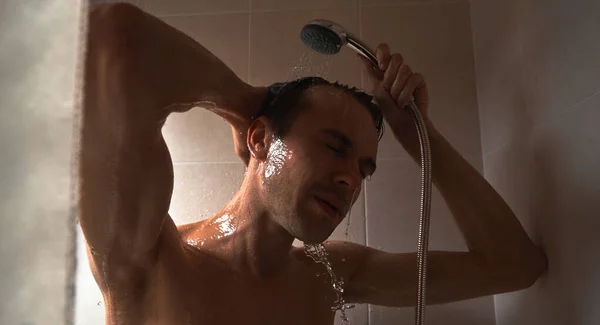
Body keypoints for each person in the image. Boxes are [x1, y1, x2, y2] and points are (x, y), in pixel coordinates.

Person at [81, 3, 547, 325]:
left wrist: (415, 132)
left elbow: (514, 265)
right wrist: (243, 102)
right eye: (334, 146)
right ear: (260, 139)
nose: (350, 179)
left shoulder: (329, 276)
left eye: (365, 168)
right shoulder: (149, 258)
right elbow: (107, 41)